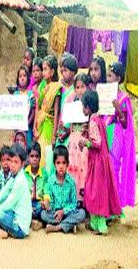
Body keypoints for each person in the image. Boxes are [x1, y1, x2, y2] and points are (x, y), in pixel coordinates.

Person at [80, 90, 121, 235]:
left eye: (83, 106)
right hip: (103, 161)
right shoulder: (100, 120)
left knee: (94, 192)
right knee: (101, 191)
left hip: (96, 162)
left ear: (88, 107)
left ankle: (99, 225)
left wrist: (85, 142)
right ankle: (95, 223)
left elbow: (96, 143)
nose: (82, 109)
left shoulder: (92, 122)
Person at [104, 63, 136, 211]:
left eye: (110, 76)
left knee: (114, 168)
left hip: (116, 135)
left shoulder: (123, 98)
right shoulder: (104, 94)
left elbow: (125, 123)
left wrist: (118, 109)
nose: (108, 78)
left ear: (118, 78)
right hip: (104, 132)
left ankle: (115, 206)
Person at [41, 145, 86, 234]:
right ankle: (69, 225)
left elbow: (73, 203)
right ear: (54, 164)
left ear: (67, 164)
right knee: (43, 214)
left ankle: (57, 227)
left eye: (63, 163)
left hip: (67, 213)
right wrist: (46, 203)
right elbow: (47, 195)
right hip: (54, 213)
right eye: (58, 163)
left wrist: (63, 211)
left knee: (82, 213)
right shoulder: (50, 180)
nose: (61, 166)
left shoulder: (71, 182)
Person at [0, 144, 32, 239]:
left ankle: (6, 233)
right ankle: (4, 228)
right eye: (11, 161)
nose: (12, 165)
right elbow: (4, 190)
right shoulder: (15, 175)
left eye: (16, 162)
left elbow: (10, 202)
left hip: (20, 228)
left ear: (22, 164)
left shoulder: (20, 180)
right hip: (13, 214)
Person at [66, 73, 91, 204]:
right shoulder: (72, 104)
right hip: (72, 141)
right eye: (77, 87)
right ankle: (74, 198)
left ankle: (83, 200)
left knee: (83, 169)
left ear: (87, 87)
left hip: (83, 141)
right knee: (72, 168)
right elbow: (69, 125)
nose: (80, 90)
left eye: (83, 87)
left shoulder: (89, 106)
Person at [34, 55, 61, 167]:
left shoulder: (56, 88)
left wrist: (54, 136)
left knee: (46, 158)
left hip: (49, 126)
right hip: (40, 125)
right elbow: (38, 108)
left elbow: (56, 115)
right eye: (43, 69)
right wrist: (35, 126)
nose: (43, 72)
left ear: (52, 71)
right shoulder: (42, 86)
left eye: (45, 69)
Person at [56, 53, 78, 147]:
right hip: (60, 130)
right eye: (61, 71)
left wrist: (68, 131)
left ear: (73, 72)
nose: (62, 73)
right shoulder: (62, 89)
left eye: (65, 70)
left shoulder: (76, 91)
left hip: (70, 131)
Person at [25, 142, 48, 231]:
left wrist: (45, 201)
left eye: (36, 156)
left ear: (40, 158)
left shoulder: (44, 173)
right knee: (21, 210)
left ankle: (33, 221)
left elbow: (47, 190)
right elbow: (23, 194)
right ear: (28, 157)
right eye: (32, 156)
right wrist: (27, 205)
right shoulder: (24, 173)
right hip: (28, 204)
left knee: (44, 213)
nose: (34, 159)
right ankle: (38, 222)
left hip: (39, 205)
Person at [14, 65, 35, 146]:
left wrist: (25, 124)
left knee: (27, 148)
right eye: (20, 76)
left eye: (24, 76)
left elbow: (33, 112)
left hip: (27, 128)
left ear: (28, 78)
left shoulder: (31, 94)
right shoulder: (15, 95)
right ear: (17, 79)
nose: (22, 78)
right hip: (17, 129)